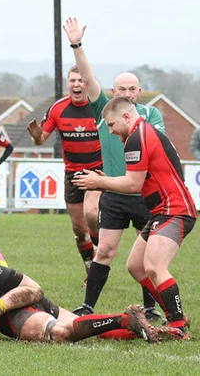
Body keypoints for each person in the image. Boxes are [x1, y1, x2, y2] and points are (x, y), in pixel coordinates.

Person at [63, 17, 166, 321]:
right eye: (121, 88)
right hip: (115, 192)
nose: (126, 93)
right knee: (105, 250)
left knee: (147, 257)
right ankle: (87, 306)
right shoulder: (103, 110)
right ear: (113, 90)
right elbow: (87, 75)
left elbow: (157, 143)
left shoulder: (151, 115)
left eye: (132, 89)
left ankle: (151, 308)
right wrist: (76, 45)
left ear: (139, 91)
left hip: (146, 193)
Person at [0, 224, 156, 344]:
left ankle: (130, 324)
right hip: (9, 306)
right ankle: (125, 321)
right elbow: (7, 276)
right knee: (58, 323)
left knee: (59, 328)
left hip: (8, 312)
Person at [73, 96, 197, 340]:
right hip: (163, 210)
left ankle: (178, 325)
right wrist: (104, 180)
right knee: (136, 267)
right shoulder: (143, 132)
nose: (110, 131)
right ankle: (174, 315)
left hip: (174, 209)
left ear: (126, 117)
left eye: (111, 125)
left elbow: (132, 184)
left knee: (154, 266)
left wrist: (100, 182)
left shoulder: (137, 138)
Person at [26, 66, 99, 278]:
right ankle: (90, 268)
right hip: (72, 173)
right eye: (73, 81)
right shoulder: (58, 108)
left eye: (81, 80)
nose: (77, 84)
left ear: (88, 83)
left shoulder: (98, 106)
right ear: (68, 84)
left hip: (97, 171)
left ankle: (101, 257)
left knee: (92, 214)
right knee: (79, 228)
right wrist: (37, 136)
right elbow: (40, 141)